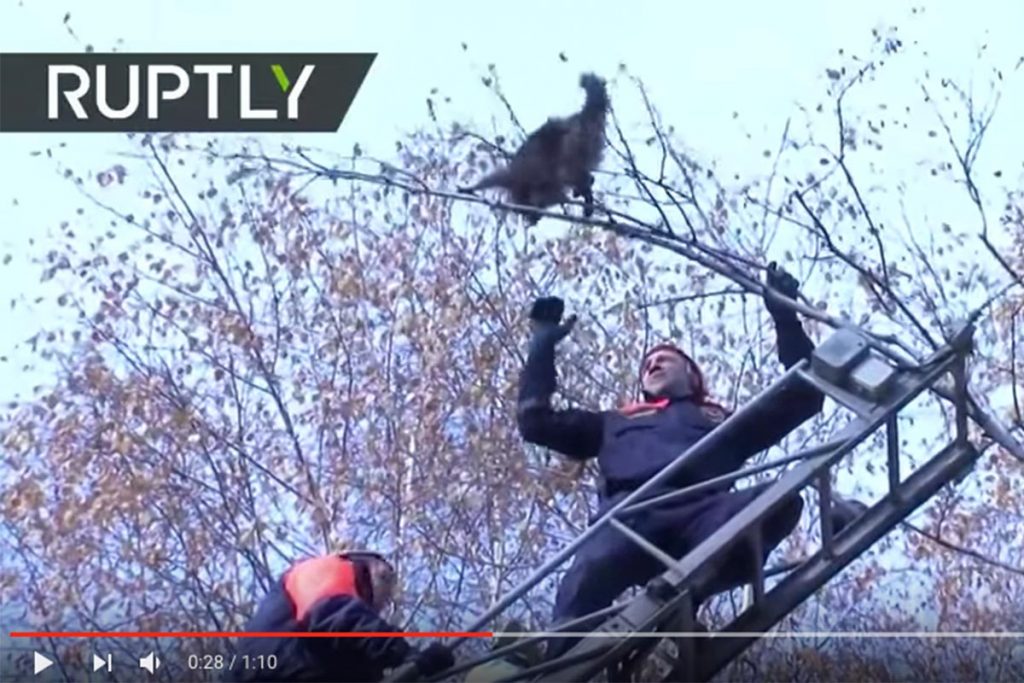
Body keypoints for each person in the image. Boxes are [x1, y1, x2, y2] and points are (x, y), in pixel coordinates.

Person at [517, 264, 849, 660]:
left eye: (664, 359)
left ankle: (689, 593)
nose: (652, 365)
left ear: (693, 377)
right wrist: (541, 344)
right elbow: (535, 421)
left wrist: (784, 315)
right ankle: (559, 666)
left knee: (783, 501)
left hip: (702, 514)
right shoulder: (613, 422)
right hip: (629, 516)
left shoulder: (722, 422)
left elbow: (803, 395)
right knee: (587, 575)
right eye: (647, 363)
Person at [225, 550, 454, 683]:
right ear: (375, 572)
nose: (381, 606)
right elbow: (335, 614)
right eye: (386, 585)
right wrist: (404, 654)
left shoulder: (339, 638)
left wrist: (412, 672)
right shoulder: (326, 571)